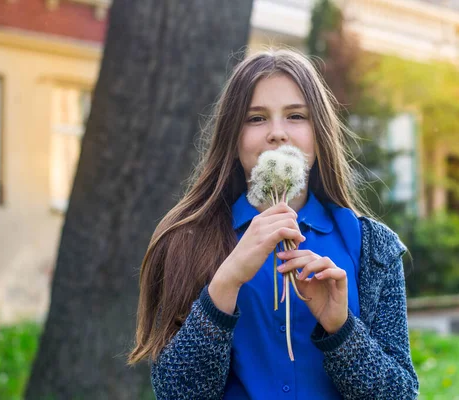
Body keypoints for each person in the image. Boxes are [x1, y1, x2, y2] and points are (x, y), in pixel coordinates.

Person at [127, 48, 419, 400]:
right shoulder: (185, 241)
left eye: (296, 116)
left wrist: (340, 329)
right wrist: (226, 282)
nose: (277, 133)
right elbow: (177, 393)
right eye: (256, 118)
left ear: (319, 133)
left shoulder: (373, 247)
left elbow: (400, 395)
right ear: (233, 138)